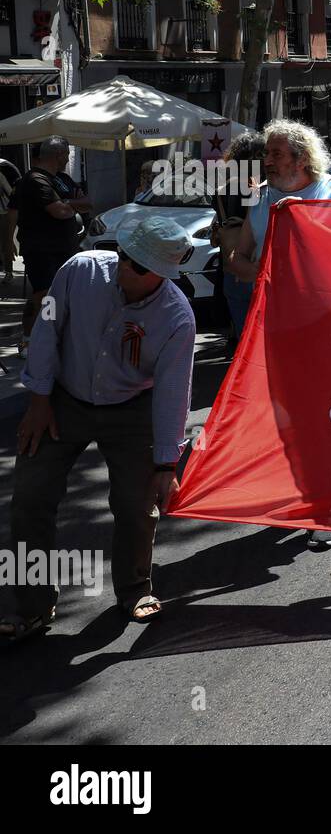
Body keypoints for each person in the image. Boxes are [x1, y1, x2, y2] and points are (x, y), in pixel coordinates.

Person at [0, 217, 197, 642]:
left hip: (131, 409)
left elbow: (172, 393)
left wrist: (167, 462)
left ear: (161, 275)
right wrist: (37, 401)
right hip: (63, 399)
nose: (125, 267)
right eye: (125, 255)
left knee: (135, 505)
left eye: (139, 266)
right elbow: (46, 331)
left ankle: (134, 588)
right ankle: (31, 606)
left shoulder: (176, 318)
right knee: (30, 499)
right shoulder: (81, 270)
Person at [227, 119, 331, 550]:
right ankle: (300, 494)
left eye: (275, 153)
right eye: (267, 153)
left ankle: (324, 507)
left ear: (301, 157)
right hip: (275, 323)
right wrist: (260, 271)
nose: (267, 160)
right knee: (285, 417)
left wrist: (301, 226)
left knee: (319, 416)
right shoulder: (261, 196)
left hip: (324, 322)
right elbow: (238, 257)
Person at [14, 137, 92, 350]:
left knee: (62, 295)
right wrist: (71, 204)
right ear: (59, 154)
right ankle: (31, 340)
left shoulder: (64, 179)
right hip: (42, 250)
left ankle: (52, 337)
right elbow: (59, 211)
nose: (68, 159)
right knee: (45, 297)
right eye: (67, 154)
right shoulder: (35, 179)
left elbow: (87, 202)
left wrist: (69, 203)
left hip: (66, 248)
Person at [214, 132, 265, 349]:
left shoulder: (221, 188)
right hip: (253, 265)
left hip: (229, 266)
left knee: (244, 337)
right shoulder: (259, 189)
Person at [0, 156, 21, 282]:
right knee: (5, 242)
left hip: (6, 210)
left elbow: (14, 190)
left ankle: (8, 272)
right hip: (3, 210)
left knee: (6, 242)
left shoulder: (3, 170)